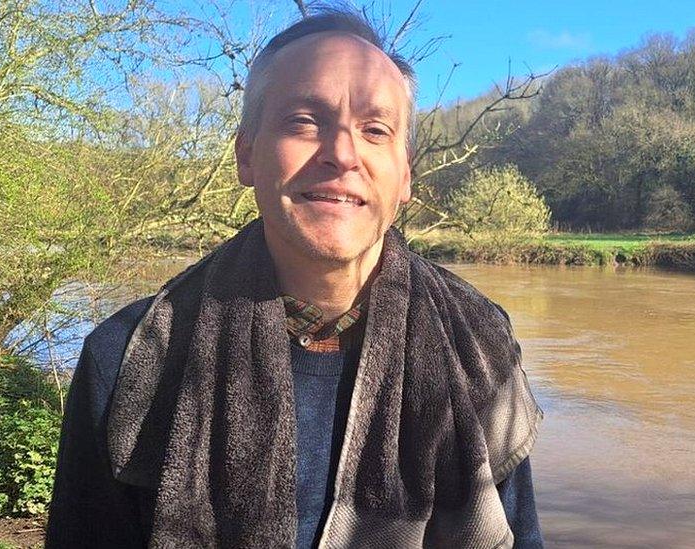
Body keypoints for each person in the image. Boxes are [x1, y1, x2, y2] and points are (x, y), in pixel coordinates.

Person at [45, 6, 543, 548]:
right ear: (246, 154)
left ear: (406, 175)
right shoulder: (129, 359)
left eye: (374, 129)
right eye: (304, 122)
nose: (342, 154)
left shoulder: (479, 342)